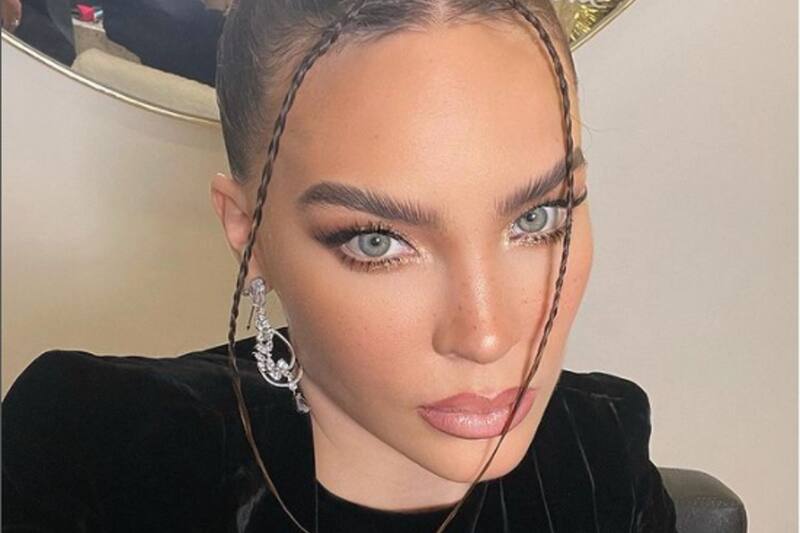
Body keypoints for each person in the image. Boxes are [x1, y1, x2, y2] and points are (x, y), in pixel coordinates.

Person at [2, 1, 678, 531]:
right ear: (250, 233)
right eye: (378, 242)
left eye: (537, 218)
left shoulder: (600, 449)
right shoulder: (103, 455)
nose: (485, 336)